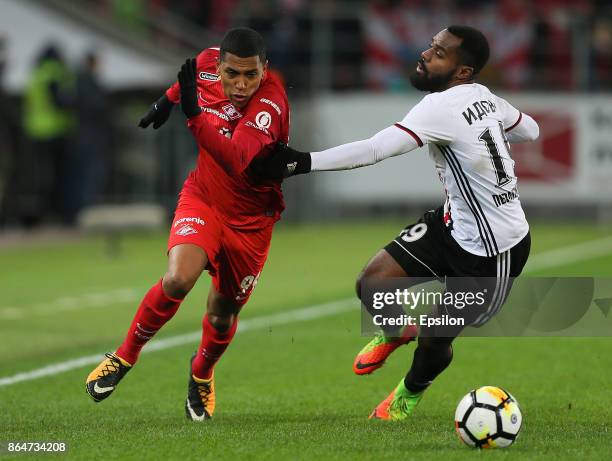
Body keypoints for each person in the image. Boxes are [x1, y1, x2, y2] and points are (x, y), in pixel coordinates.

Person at [253, 25, 539, 420]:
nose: (425, 54)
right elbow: (532, 129)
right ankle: (394, 331)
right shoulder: (483, 97)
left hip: (495, 251)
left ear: (462, 72)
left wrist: (300, 161)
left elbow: (374, 150)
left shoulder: (440, 107)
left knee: (434, 338)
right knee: (372, 282)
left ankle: (409, 391)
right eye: (431, 45)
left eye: (439, 52)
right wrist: (495, 130)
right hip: (453, 224)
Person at [85, 28, 290, 422]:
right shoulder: (207, 61)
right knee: (179, 278)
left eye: (251, 75)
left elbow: (235, 158)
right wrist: (167, 100)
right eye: (233, 74)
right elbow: (189, 77)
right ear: (220, 66)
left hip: (250, 221)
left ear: (264, 70)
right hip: (204, 198)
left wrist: (194, 116)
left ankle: (201, 373)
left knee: (221, 313)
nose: (242, 85)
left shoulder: (271, 104)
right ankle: (124, 356)